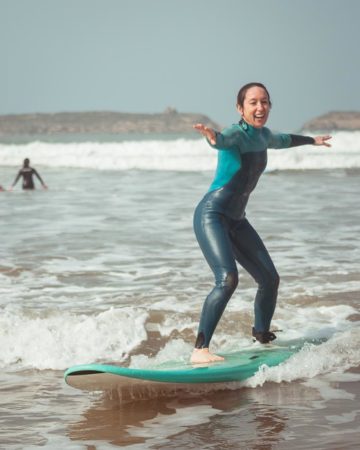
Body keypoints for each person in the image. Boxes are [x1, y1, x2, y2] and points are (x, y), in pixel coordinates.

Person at [191, 82, 331, 364]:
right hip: (212, 214)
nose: (260, 107)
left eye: (264, 101)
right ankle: (200, 350)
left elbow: (285, 140)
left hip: (237, 220)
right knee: (227, 279)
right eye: (253, 102)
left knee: (269, 278)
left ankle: (262, 336)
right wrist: (211, 138)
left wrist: (311, 141)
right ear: (240, 108)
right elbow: (221, 140)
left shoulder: (264, 136)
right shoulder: (235, 133)